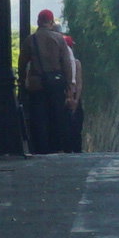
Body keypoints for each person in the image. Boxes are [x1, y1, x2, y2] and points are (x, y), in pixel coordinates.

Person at [23, 10, 78, 153]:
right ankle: (56, 147)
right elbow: (66, 63)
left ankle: (41, 148)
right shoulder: (59, 39)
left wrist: (22, 83)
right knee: (57, 115)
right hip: (56, 83)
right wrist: (69, 87)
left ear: (38, 22)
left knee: (39, 117)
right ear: (51, 22)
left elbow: (22, 64)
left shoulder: (30, 40)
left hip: (37, 84)